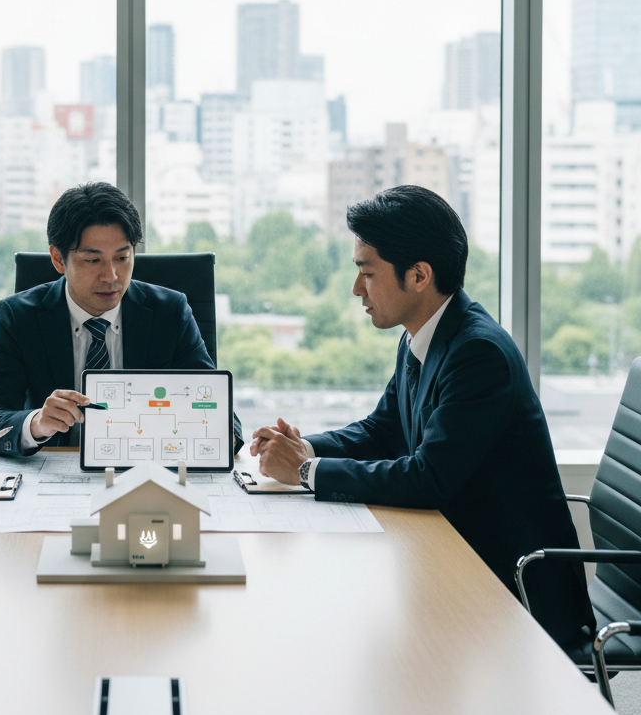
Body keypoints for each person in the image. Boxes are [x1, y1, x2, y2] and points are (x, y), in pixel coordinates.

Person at [251, 185, 595, 646]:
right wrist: (303, 448)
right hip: (454, 555)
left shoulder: (478, 354)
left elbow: (428, 477)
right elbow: (383, 428)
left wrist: (306, 471)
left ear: (418, 275)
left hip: (511, 585)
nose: (357, 289)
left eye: (367, 273)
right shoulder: (424, 333)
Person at [0, 181, 243, 457]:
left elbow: (216, 406)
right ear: (57, 259)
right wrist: (36, 423)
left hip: (148, 469)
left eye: (123, 257)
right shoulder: (17, 317)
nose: (111, 276)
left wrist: (224, 435)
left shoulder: (170, 313)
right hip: (56, 473)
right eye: (93, 261)